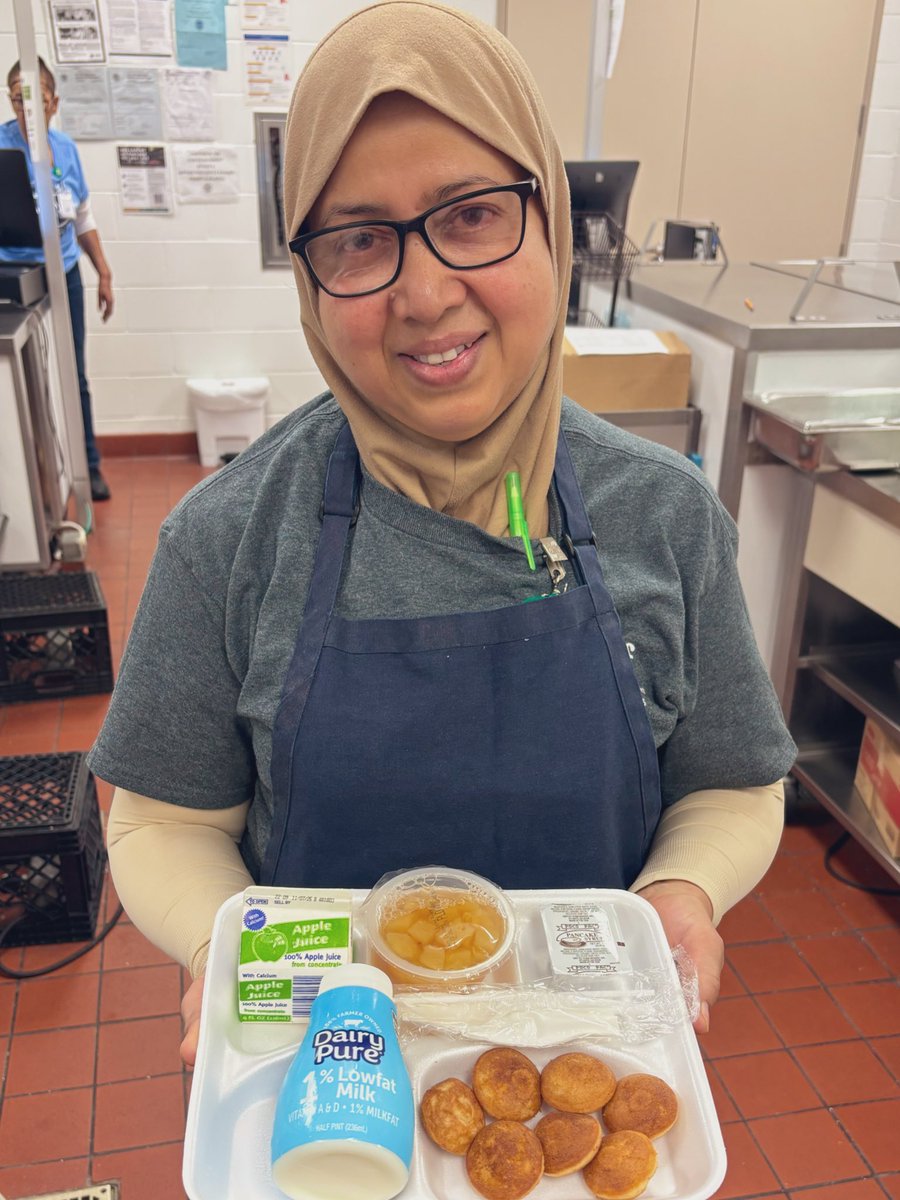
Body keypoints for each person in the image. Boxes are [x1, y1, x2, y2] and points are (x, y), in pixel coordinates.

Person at [88, 1, 796, 1067]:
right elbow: (165, 822)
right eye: (358, 239)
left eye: (471, 215)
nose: (424, 294)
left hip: (585, 1074)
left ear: (550, 218)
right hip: (326, 1077)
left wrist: (681, 892)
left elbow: (731, 780)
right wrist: (220, 949)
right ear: (310, 279)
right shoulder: (228, 537)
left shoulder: (663, 510)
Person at [1, 56, 113, 501]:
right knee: (21, 376)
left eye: (37, 101)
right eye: (18, 100)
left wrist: (103, 272)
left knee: (74, 372)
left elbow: (82, 216)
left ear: (53, 103)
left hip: (63, 271)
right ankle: (29, 476)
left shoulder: (65, 148)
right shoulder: (3, 149)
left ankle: (88, 465)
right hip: (15, 274)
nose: (27, 111)